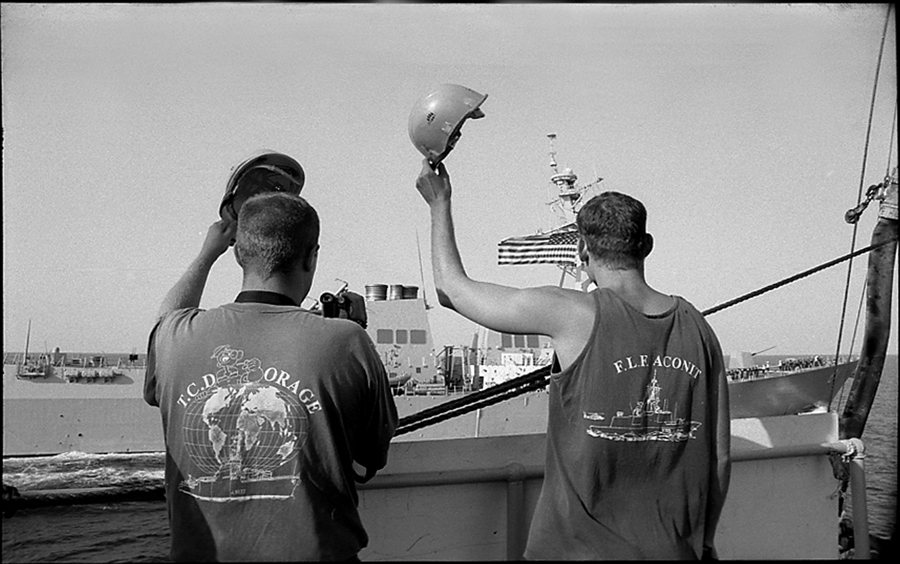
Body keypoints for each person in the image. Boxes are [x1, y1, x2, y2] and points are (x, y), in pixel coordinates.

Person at [415, 159, 731, 560]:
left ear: (581, 248)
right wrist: (705, 541)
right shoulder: (699, 328)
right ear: (646, 246)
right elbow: (719, 458)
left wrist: (439, 202)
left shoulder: (570, 313)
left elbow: (451, 290)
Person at [144, 191, 398, 562]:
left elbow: (165, 319)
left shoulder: (172, 337)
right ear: (311, 257)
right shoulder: (347, 341)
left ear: (236, 253)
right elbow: (371, 455)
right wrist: (351, 330)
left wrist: (205, 254)